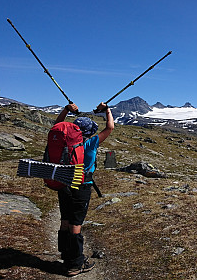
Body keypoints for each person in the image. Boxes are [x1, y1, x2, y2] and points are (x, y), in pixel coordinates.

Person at [54, 102, 114, 276]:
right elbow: (109, 127)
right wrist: (107, 110)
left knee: (65, 220)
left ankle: (66, 256)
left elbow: (57, 126)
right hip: (82, 187)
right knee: (76, 224)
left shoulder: (65, 140)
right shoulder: (91, 143)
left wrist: (66, 110)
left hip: (64, 184)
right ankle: (75, 264)